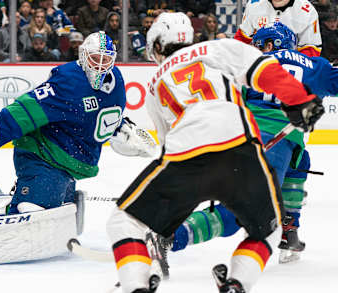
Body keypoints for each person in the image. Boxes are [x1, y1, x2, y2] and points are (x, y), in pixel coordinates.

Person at [106, 13, 324, 293]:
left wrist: (172, 198)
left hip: (185, 155)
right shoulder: (217, 48)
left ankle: (135, 286)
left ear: (158, 47)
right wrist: (300, 100)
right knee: (269, 230)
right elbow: (264, 71)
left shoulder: (154, 85)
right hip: (240, 147)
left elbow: (167, 145)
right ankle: (237, 284)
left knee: (125, 221)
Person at [0, 31, 155, 270]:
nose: (101, 65)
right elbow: (30, 107)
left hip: (66, 164)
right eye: (95, 58)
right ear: (83, 56)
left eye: (106, 59)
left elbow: (93, 118)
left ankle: (23, 200)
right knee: (30, 213)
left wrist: (123, 129)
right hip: (43, 155)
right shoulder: (69, 81)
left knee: (50, 211)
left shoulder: (116, 83)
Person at [167, 22, 338, 265]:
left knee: (300, 160)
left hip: (245, 135)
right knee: (239, 212)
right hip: (275, 141)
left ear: (269, 45)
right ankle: (171, 236)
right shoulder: (313, 64)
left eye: (258, 45)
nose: (254, 49)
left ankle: (288, 229)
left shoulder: (247, 64)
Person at [235, 0, 322, 57]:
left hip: (292, 67)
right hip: (258, 65)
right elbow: (241, 41)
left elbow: (311, 52)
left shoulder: (307, 11)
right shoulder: (254, 4)